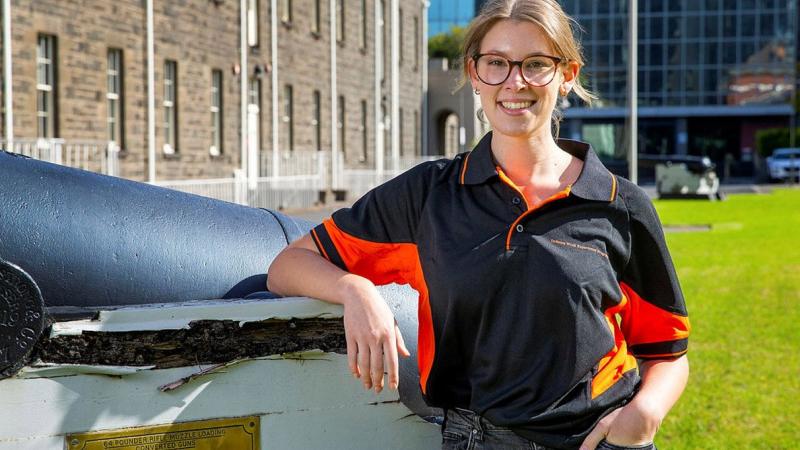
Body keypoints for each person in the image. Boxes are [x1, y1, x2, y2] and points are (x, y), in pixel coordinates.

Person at [267, 0, 690, 448]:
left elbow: (668, 351)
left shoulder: (619, 204)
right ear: (474, 74)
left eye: (535, 64)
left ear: (566, 75)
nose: (515, 81)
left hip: (600, 438)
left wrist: (643, 417)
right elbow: (289, 265)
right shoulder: (429, 194)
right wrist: (356, 291)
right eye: (496, 63)